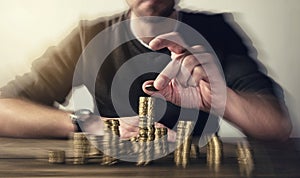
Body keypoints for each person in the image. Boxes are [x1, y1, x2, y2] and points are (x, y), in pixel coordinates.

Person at [0, 0, 292, 141]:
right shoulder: (87, 37)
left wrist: (221, 97)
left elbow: (277, 127)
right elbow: (4, 111)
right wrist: (92, 124)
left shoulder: (217, 32)